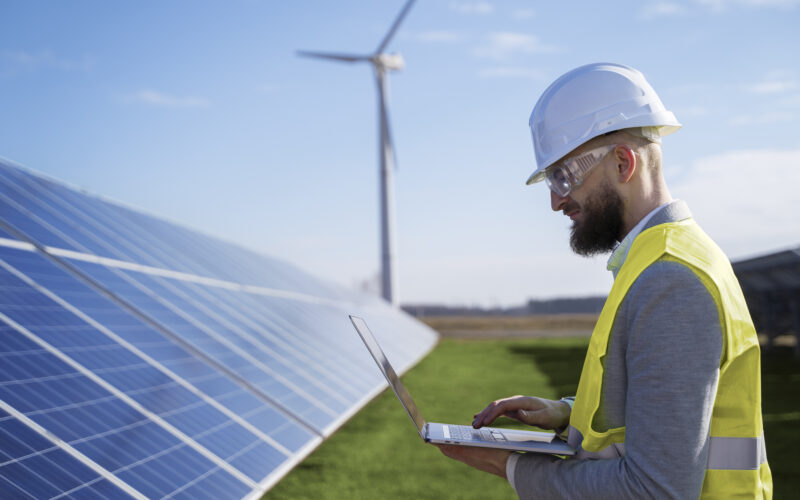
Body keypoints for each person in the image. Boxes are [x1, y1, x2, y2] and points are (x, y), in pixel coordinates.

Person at [437, 63, 773, 499]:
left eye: (563, 176)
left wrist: (513, 467)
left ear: (622, 162)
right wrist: (565, 415)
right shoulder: (665, 258)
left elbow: (656, 490)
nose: (557, 201)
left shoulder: (669, 282)